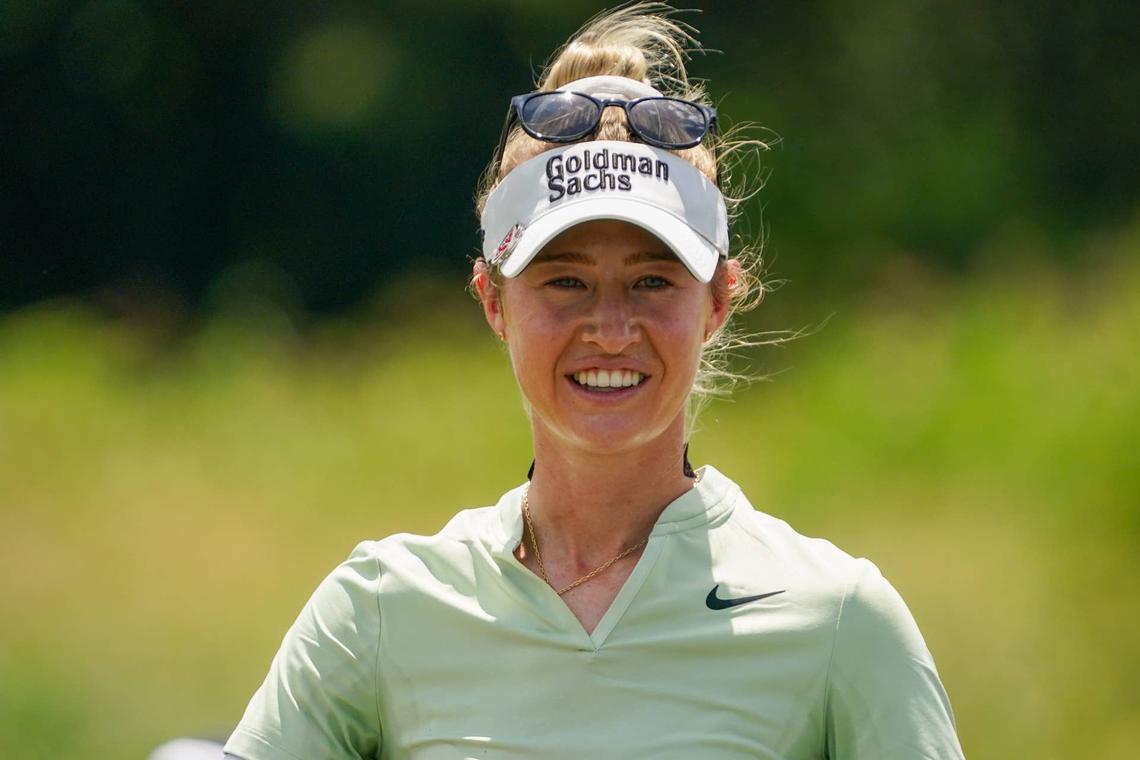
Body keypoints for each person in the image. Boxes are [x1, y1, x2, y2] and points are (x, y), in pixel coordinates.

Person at [222, 4, 965, 759]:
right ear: (492, 300)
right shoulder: (380, 609)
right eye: (566, 282)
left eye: (652, 282)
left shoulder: (838, 618)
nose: (611, 330)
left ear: (718, 300)